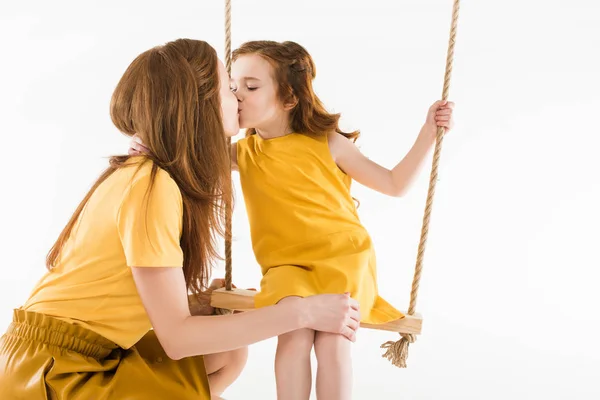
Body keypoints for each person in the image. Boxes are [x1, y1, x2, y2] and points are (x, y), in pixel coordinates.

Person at [0, 38, 360, 400]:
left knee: (227, 350)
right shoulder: (151, 188)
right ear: (198, 107)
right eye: (227, 88)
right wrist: (303, 312)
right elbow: (177, 340)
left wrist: (196, 304)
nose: (237, 99)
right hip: (54, 371)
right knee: (212, 343)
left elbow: (131, 295)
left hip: (63, 353)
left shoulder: (151, 174)